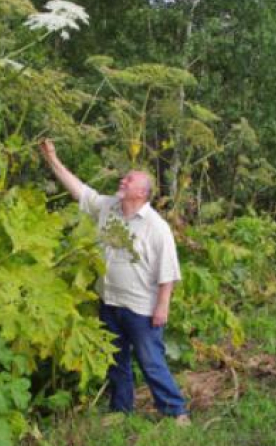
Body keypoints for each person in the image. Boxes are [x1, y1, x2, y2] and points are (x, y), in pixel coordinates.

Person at [39, 139, 189, 424]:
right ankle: (122, 411)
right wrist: (53, 159)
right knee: (115, 361)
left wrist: (162, 307)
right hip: (109, 303)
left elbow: (167, 271)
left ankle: (176, 411)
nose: (123, 179)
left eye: (129, 179)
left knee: (151, 363)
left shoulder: (157, 227)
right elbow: (80, 190)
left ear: (142, 192)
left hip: (141, 309)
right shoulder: (108, 208)